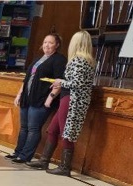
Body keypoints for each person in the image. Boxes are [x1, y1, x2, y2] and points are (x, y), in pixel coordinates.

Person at [27, 31, 96, 177]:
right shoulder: (85, 60)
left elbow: (76, 83)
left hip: (72, 99)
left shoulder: (80, 60)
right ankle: (44, 160)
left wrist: (60, 81)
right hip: (69, 97)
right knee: (52, 129)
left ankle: (65, 166)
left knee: (67, 132)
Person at [8, 33, 66, 163]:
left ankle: (25, 156)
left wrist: (50, 98)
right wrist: (19, 94)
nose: (47, 45)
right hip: (27, 98)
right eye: (45, 42)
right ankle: (17, 152)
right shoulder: (38, 59)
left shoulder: (59, 60)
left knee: (33, 129)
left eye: (50, 42)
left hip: (41, 99)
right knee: (24, 127)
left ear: (57, 45)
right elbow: (26, 79)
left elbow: (59, 81)